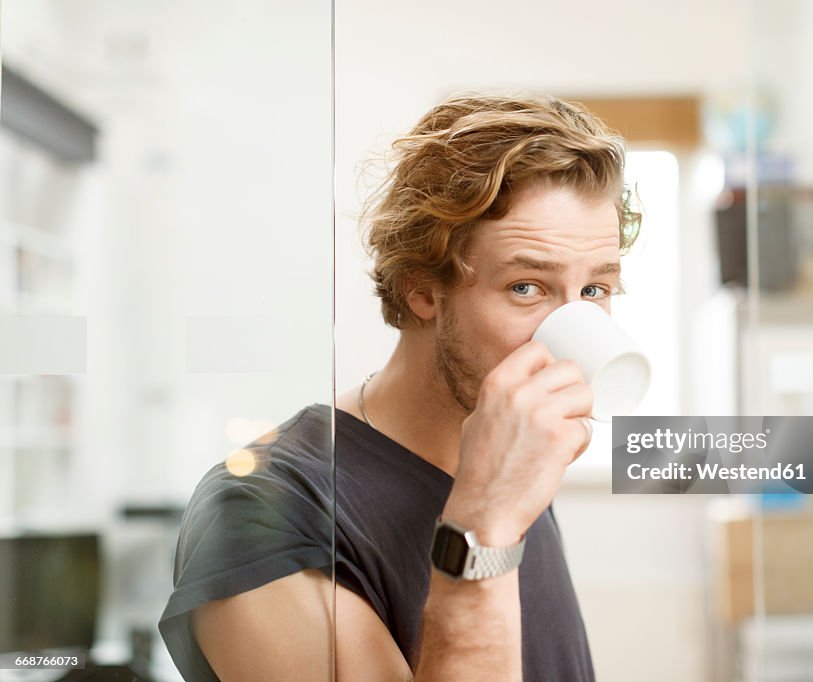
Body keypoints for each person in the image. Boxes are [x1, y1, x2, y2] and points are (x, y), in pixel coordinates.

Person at [158, 92, 641, 681]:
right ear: (422, 289)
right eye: (525, 287)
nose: (571, 332)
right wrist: (483, 524)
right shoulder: (262, 512)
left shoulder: (506, 459)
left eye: (594, 290)